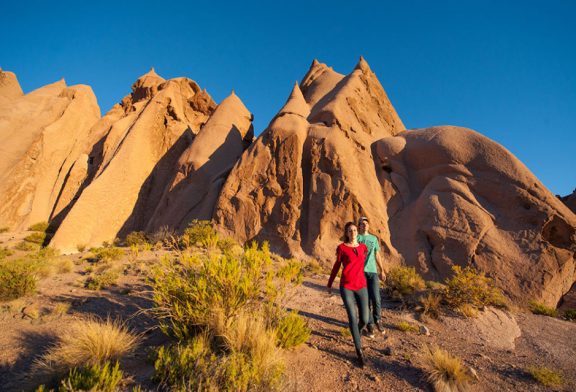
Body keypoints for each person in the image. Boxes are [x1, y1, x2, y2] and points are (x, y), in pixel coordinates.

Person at [327, 222, 370, 367]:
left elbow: (363, 264)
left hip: (362, 286)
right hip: (346, 287)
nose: (352, 232)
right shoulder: (341, 248)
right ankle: (359, 352)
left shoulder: (364, 247)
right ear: (346, 233)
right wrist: (329, 283)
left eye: (354, 230)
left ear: (357, 232)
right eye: (349, 231)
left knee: (364, 319)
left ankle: (355, 333)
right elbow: (336, 266)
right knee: (353, 317)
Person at [357, 216, 386, 336]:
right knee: (365, 301)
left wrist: (382, 270)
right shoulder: (356, 237)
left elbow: (377, 255)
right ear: (359, 226)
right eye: (362, 224)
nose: (364, 225)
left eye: (366, 223)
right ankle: (370, 326)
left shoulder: (373, 239)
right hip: (359, 273)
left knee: (376, 298)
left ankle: (377, 319)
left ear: (368, 225)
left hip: (372, 271)